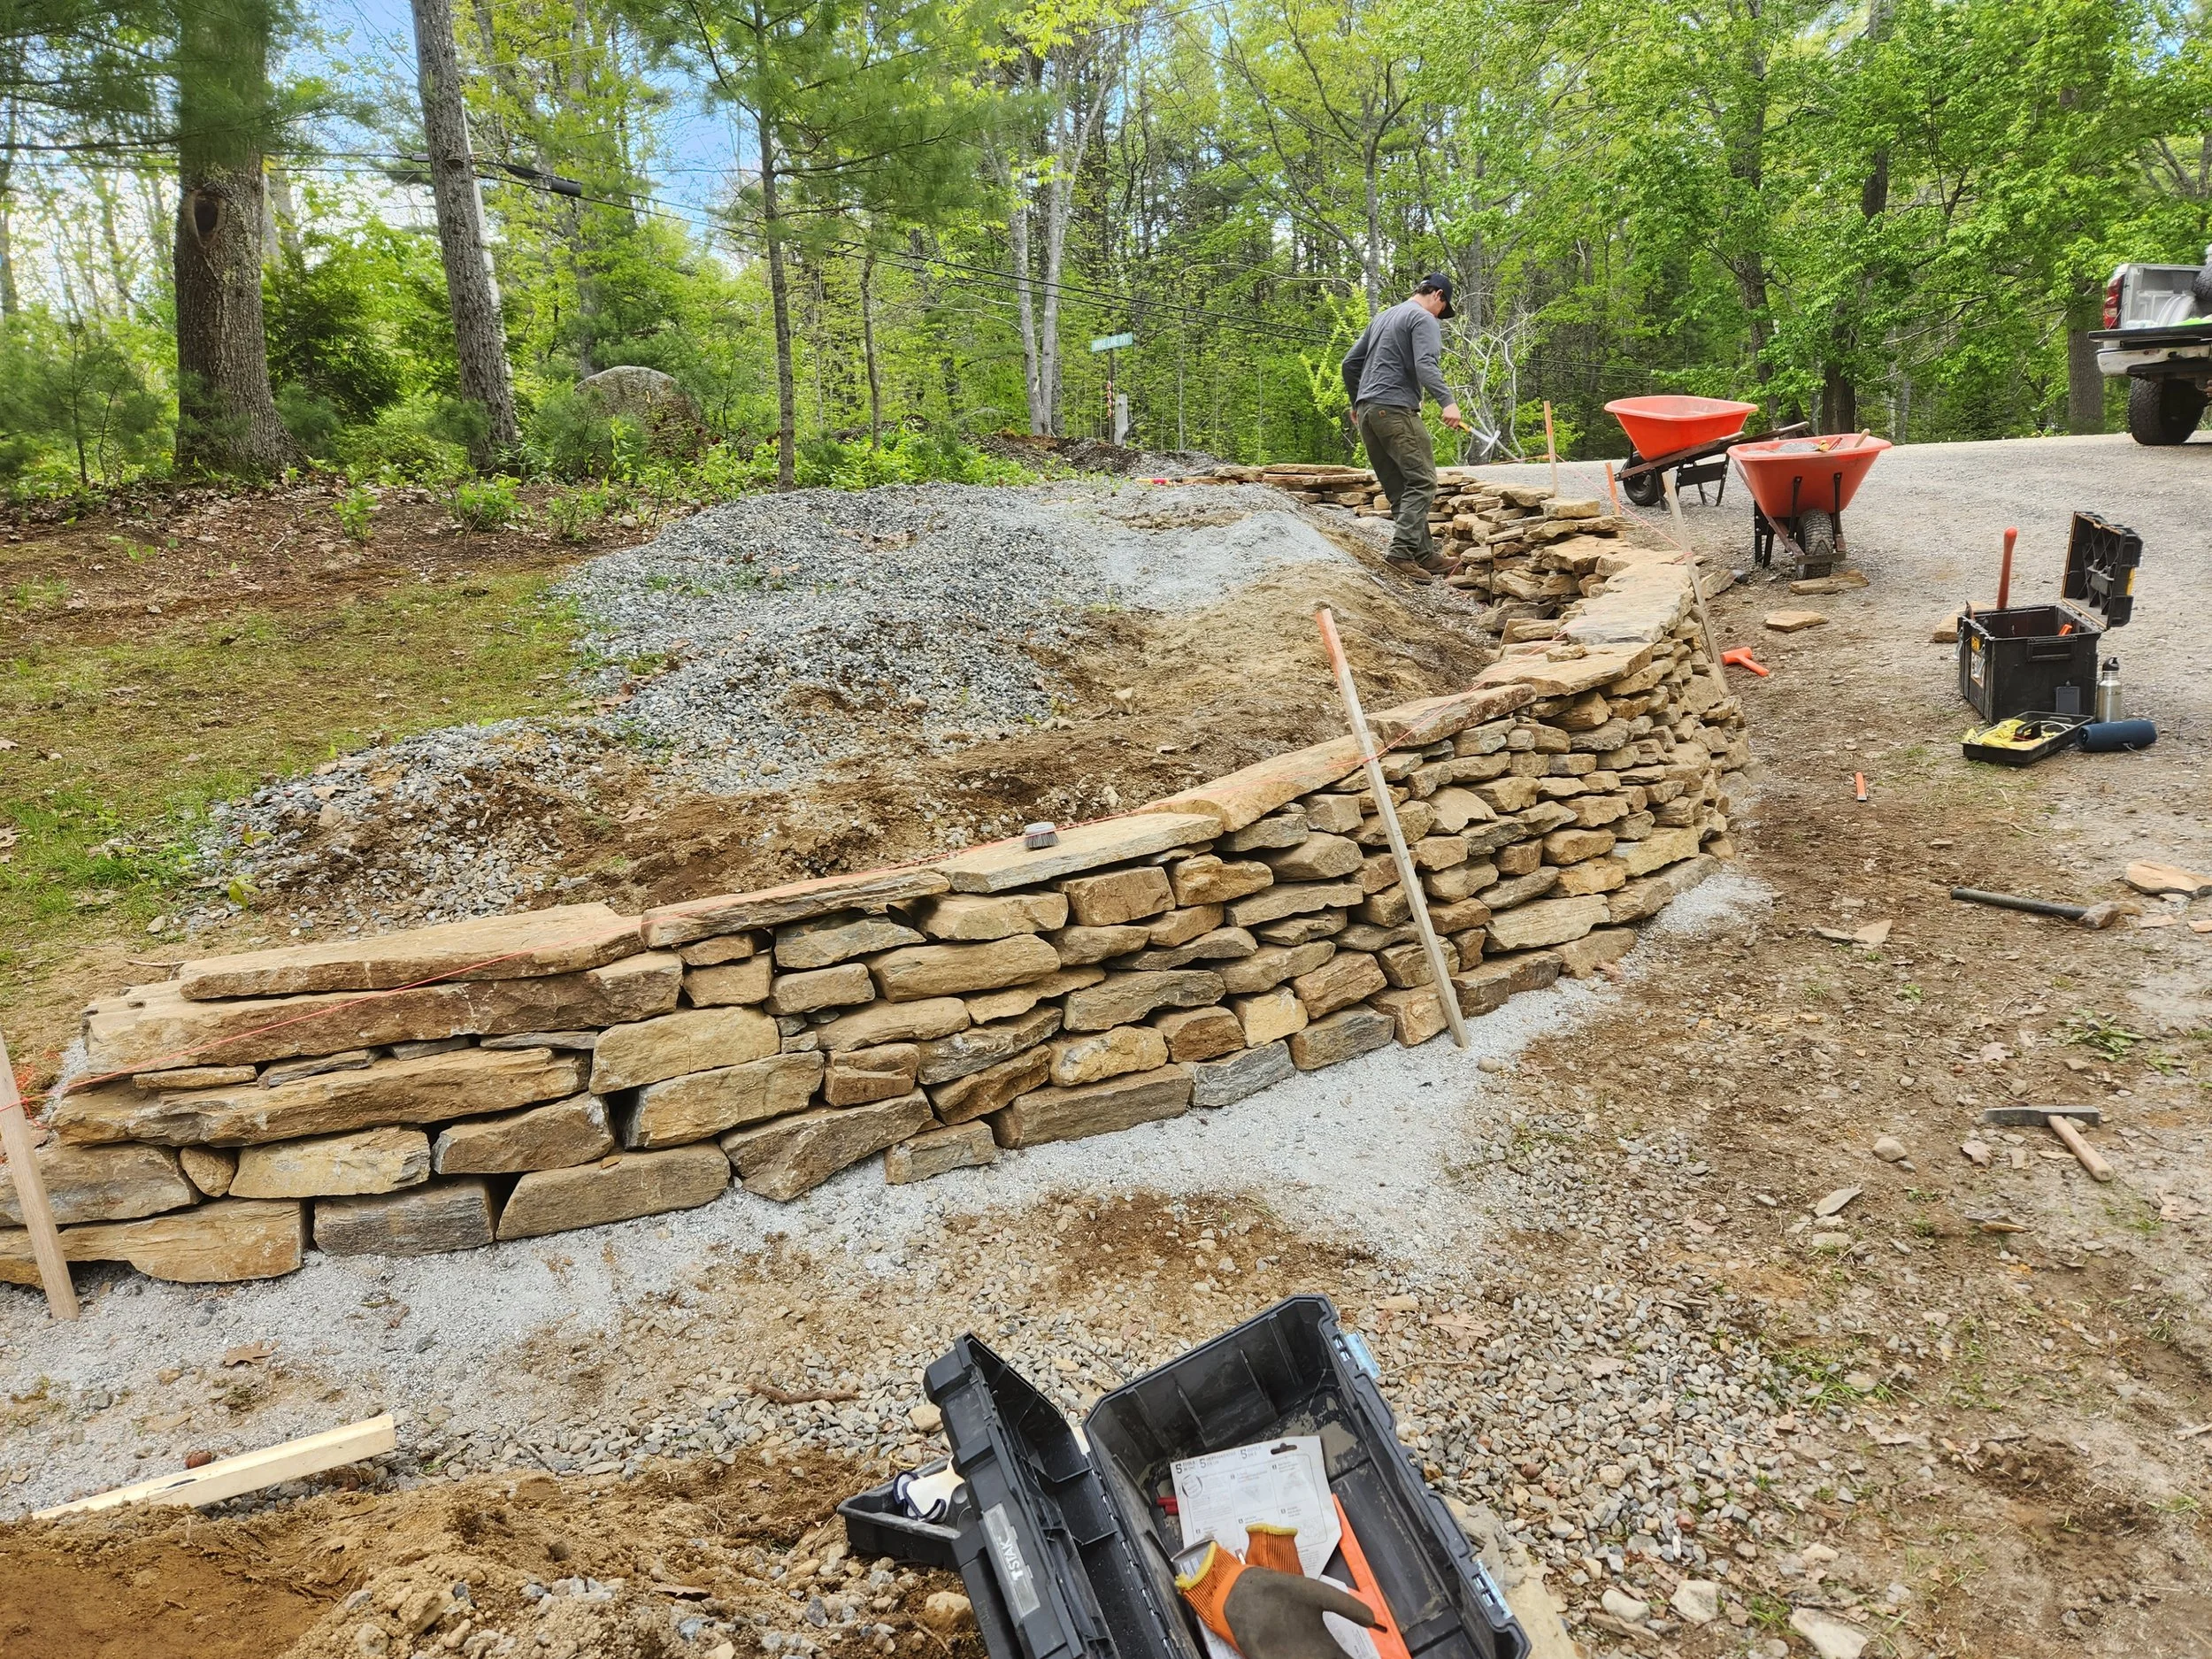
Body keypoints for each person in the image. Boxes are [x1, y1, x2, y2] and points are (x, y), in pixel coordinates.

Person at [1340, 273, 1468, 577]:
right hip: (1395, 410)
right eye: (1443, 307)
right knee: (1423, 481)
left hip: (1369, 414)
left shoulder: (1384, 317)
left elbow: (1350, 363)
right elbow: (1426, 364)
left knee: (1399, 487)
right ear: (1437, 295)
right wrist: (1447, 401)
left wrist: (1358, 402)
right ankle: (1399, 554)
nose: (1440, 315)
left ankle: (1424, 555)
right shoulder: (1423, 318)